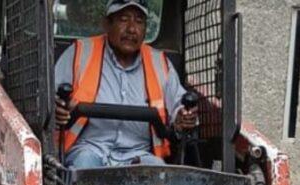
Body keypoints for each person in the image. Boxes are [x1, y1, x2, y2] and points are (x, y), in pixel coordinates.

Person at [53, 0, 198, 168]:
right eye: (123, 19)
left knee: (159, 175)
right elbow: (49, 102)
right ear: (107, 24)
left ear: (145, 28)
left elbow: (181, 107)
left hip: (140, 154)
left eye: (139, 21)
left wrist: (183, 117)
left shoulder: (160, 63)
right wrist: (57, 108)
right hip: (89, 149)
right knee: (84, 169)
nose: (131, 29)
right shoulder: (79, 53)